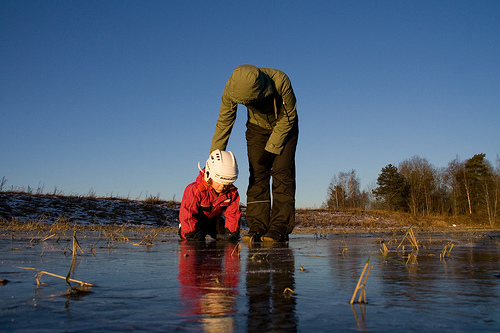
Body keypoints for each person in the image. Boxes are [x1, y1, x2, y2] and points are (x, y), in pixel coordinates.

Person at [210, 65, 299, 243]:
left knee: (282, 173)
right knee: (257, 175)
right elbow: (224, 121)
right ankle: (257, 226)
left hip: (284, 127)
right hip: (256, 129)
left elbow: (289, 116)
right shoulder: (231, 87)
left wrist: (271, 148)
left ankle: (280, 227)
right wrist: (213, 160)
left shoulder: (281, 81)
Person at [179, 149, 242, 241]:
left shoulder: (231, 193)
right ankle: (189, 231)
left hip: (214, 222)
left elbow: (233, 214)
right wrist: (191, 232)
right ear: (209, 175)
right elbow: (187, 212)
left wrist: (232, 232)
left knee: (228, 237)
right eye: (220, 183)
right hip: (196, 222)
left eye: (227, 184)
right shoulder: (195, 189)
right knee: (194, 239)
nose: (223, 187)